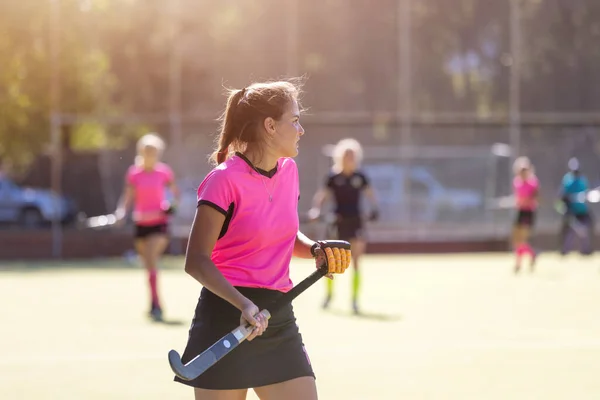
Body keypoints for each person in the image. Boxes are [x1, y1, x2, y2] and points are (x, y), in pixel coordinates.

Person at [174, 80, 352, 399]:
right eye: (294, 120)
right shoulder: (223, 181)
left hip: (277, 316)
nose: (301, 129)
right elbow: (196, 260)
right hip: (226, 316)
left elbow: (282, 234)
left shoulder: (289, 172)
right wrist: (242, 303)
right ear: (270, 125)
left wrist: (314, 249)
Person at [308, 138, 379, 314]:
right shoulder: (333, 177)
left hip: (356, 222)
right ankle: (329, 295)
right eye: (347, 155)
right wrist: (316, 210)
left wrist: (375, 209)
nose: (350, 158)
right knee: (331, 261)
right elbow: (321, 196)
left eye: (353, 155)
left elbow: (371, 195)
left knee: (356, 261)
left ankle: (354, 300)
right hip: (337, 222)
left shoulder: (360, 177)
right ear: (340, 157)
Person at [116, 133, 180, 321]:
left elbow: (176, 195)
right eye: (147, 152)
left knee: (152, 258)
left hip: (159, 224)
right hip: (140, 224)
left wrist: (170, 207)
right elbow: (128, 198)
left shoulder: (164, 172)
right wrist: (121, 212)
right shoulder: (134, 174)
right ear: (141, 153)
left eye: (153, 152)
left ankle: (157, 304)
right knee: (149, 267)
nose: (150, 156)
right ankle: (152, 302)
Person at [558, 157, 594, 255]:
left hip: (582, 211)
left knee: (584, 231)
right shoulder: (567, 179)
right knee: (570, 232)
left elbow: (586, 193)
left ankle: (585, 250)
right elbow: (563, 194)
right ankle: (565, 250)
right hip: (571, 211)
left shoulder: (582, 180)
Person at [512, 156, 539, 273]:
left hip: (528, 212)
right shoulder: (516, 182)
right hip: (520, 211)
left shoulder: (533, 183)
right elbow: (518, 198)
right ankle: (531, 255)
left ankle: (520, 263)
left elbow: (535, 198)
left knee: (522, 239)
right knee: (516, 239)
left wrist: (525, 201)